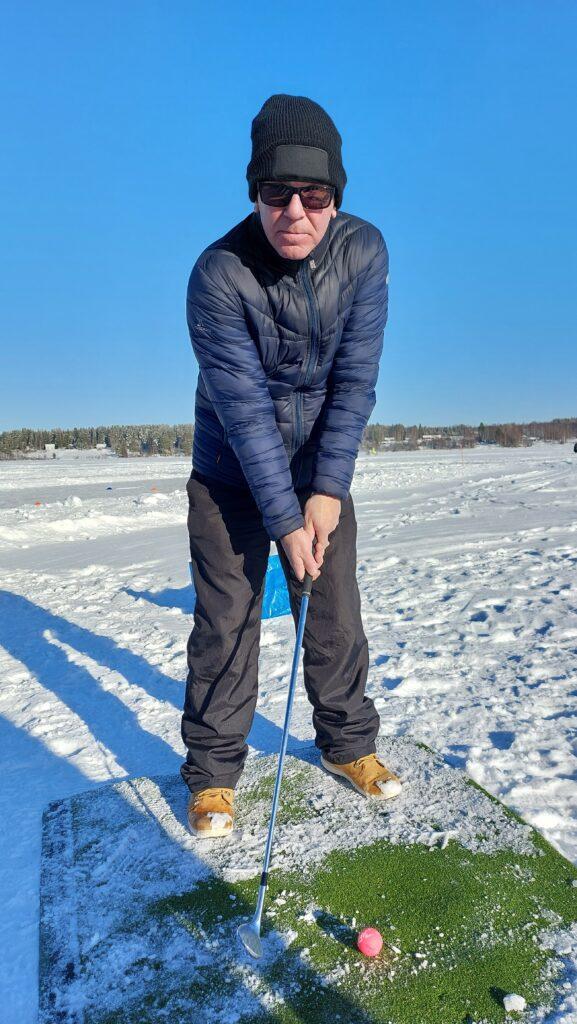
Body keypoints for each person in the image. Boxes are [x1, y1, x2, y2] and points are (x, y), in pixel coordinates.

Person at [182, 93, 402, 839]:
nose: (295, 213)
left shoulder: (365, 252)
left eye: (315, 196)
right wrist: (284, 520)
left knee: (334, 613)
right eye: (278, 195)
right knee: (226, 623)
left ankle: (347, 746)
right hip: (228, 472)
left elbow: (355, 381)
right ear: (255, 195)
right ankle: (213, 774)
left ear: (335, 200)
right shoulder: (218, 274)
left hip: (317, 473)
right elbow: (243, 412)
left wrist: (327, 491)